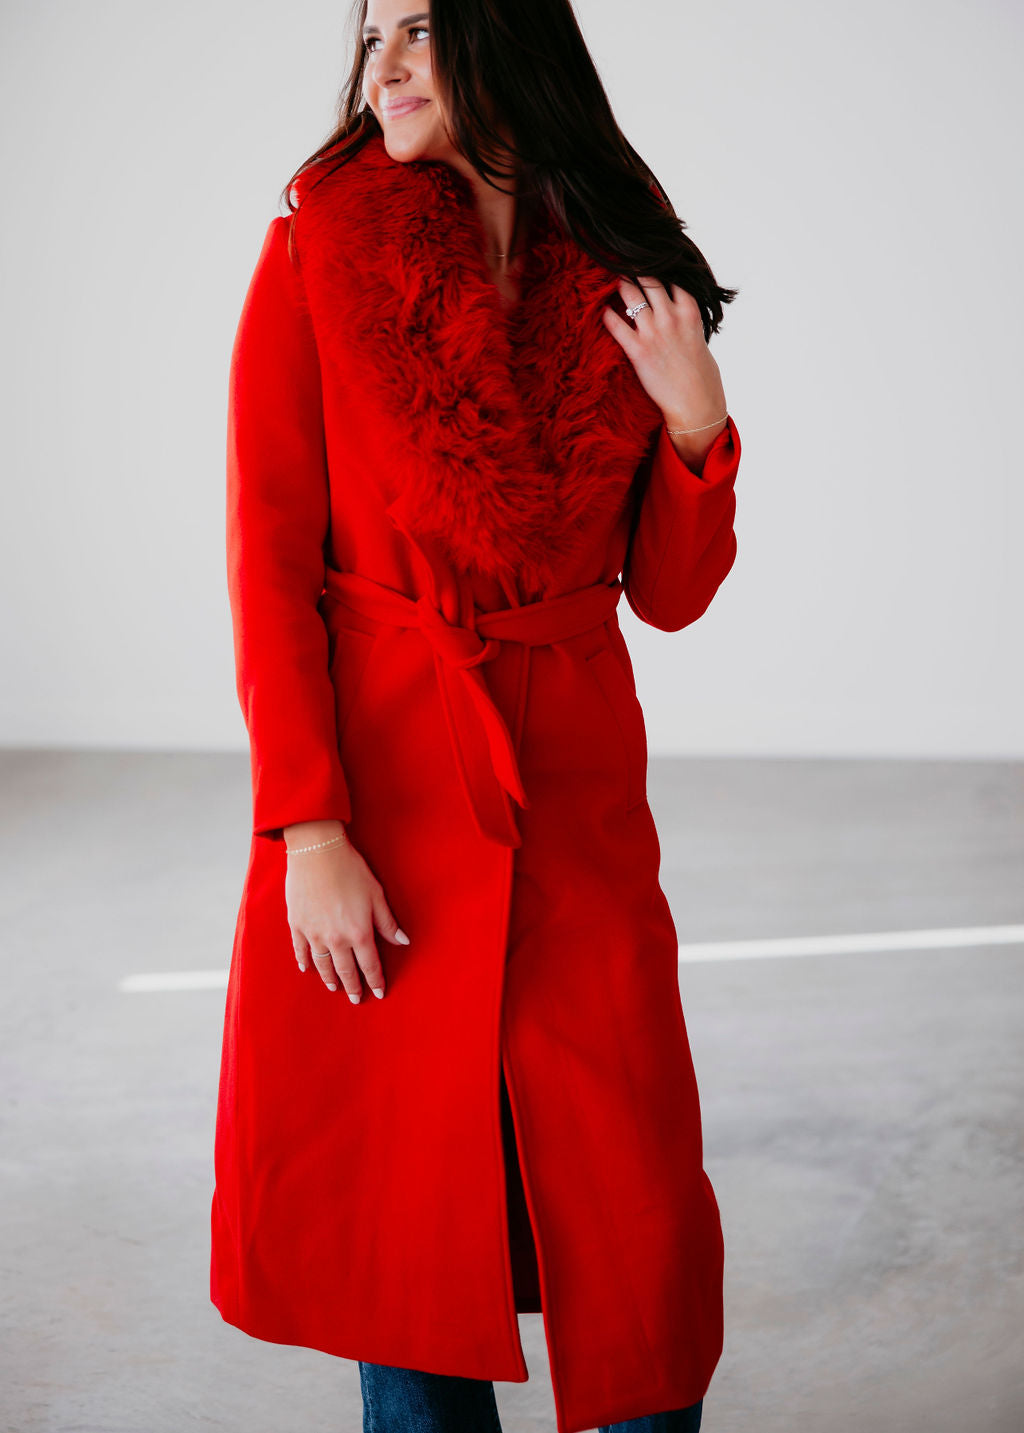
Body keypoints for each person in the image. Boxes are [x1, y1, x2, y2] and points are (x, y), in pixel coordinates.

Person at [210, 1, 742, 1430]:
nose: (379, 68)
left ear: (507, 37)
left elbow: (670, 595)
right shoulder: (317, 253)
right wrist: (307, 830)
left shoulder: (622, 253)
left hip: (572, 786)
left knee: (632, 1211)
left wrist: (695, 420)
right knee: (409, 1227)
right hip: (384, 789)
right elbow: (268, 566)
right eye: (371, 35)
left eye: (419, 31)